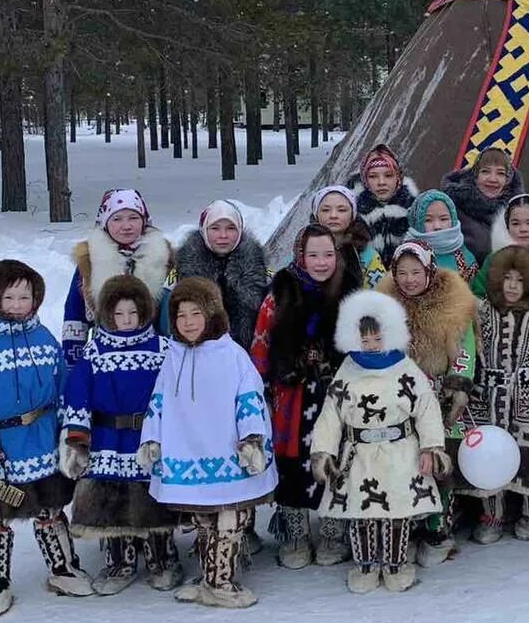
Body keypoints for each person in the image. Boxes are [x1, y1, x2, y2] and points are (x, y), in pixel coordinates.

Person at [0, 259, 90, 617]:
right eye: (10, 297)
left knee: (50, 509)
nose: (19, 304)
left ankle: (63, 568)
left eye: (26, 296)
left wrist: (72, 433)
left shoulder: (42, 337)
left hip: (40, 441)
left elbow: (63, 389)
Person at [138, 277, 277, 609]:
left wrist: (252, 439)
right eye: (181, 315)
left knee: (231, 518)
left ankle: (222, 581)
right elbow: (159, 402)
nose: (188, 323)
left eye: (196, 314)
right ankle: (209, 578)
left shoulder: (232, 355)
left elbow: (249, 400)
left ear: (212, 314)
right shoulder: (173, 356)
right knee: (203, 520)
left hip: (230, 454)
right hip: (191, 456)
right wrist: (152, 439)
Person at [309, 290, 448, 593]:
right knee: (362, 514)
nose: (371, 346)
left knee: (396, 511)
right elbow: (331, 413)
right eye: (364, 340)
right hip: (359, 456)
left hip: (400, 453)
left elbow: (426, 409)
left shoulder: (406, 370)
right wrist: (324, 451)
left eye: (377, 339)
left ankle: (396, 566)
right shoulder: (347, 371)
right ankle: (365, 566)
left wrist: (431, 447)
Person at [250, 223, 363, 568]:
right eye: (313, 254)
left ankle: (333, 531)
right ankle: (294, 532)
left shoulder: (351, 291)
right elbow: (262, 341)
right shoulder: (280, 293)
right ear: (300, 255)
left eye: (328, 254)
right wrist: (263, 385)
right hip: (292, 390)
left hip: (337, 389)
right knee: (293, 457)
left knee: (339, 453)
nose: (321, 262)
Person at [59, 275, 181, 592]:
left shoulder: (163, 349)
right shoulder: (94, 352)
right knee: (112, 502)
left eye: (133, 313)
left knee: (154, 498)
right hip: (108, 439)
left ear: (145, 312)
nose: (127, 321)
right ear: (107, 316)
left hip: (149, 436)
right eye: (119, 314)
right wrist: (77, 440)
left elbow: (176, 393)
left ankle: (163, 558)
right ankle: (119, 563)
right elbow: (78, 395)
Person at [378, 240, 477, 566]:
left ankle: (438, 527)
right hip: (399, 400)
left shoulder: (452, 303)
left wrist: (456, 387)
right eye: (402, 272)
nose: (409, 279)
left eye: (416, 272)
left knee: (440, 463)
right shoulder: (384, 305)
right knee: (404, 466)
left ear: (429, 270)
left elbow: (464, 350)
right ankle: (407, 528)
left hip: (438, 396)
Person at [465, 247, 529, 543]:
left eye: (519, 280)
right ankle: (492, 514)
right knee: (487, 457)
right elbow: (468, 353)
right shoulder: (482, 313)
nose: (512, 286)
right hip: (488, 398)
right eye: (506, 278)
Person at [63, 188, 173, 367]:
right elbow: (74, 314)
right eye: (117, 219)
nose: (126, 226)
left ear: (144, 220)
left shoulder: (164, 258)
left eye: (134, 218)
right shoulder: (91, 259)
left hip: (155, 357)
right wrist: (73, 362)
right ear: (105, 222)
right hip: (105, 356)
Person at [167, 199, 269, 347]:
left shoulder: (259, 270)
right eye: (215, 228)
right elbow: (168, 322)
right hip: (198, 355)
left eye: (231, 228)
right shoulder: (183, 271)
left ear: (240, 230)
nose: (223, 235)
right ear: (204, 230)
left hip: (247, 358)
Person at [441, 146, 525, 262]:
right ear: (475, 175)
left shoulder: (519, 214)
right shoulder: (450, 209)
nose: (492, 179)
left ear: (508, 180)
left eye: (500, 173)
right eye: (485, 171)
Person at [348, 143, 419, 267]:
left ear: (398, 177)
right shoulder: (349, 213)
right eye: (373, 176)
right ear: (364, 179)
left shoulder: (415, 210)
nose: (381, 182)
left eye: (388, 175)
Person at [313, 184, 387, 289]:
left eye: (342, 210)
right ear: (316, 215)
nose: (333, 215)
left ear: (352, 215)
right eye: (326, 210)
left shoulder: (368, 256)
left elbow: (380, 295)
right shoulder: (302, 252)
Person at [407, 188, 479, 282]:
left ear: (453, 220)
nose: (437, 226)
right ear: (417, 223)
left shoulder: (465, 258)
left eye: (443, 219)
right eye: (428, 220)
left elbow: (476, 293)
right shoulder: (407, 255)